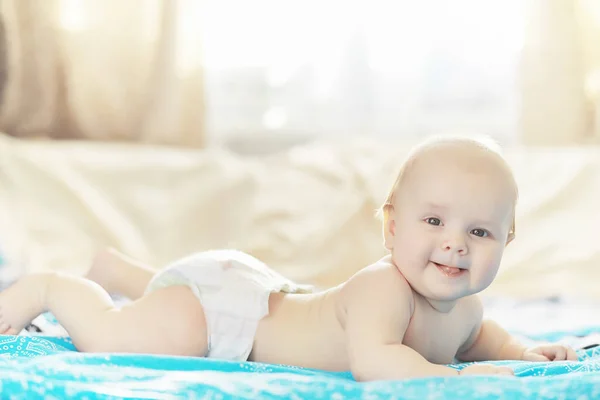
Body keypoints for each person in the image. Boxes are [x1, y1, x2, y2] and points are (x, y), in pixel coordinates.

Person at [0, 136, 578, 381]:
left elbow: (481, 340)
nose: (455, 243)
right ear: (392, 227)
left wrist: (522, 352)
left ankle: (122, 272)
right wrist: (459, 384)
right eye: (434, 221)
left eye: (480, 231)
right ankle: (51, 287)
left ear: (507, 244)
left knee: (163, 300)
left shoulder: (467, 307)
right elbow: (375, 365)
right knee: (114, 334)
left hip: (256, 294)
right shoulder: (385, 290)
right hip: (222, 320)